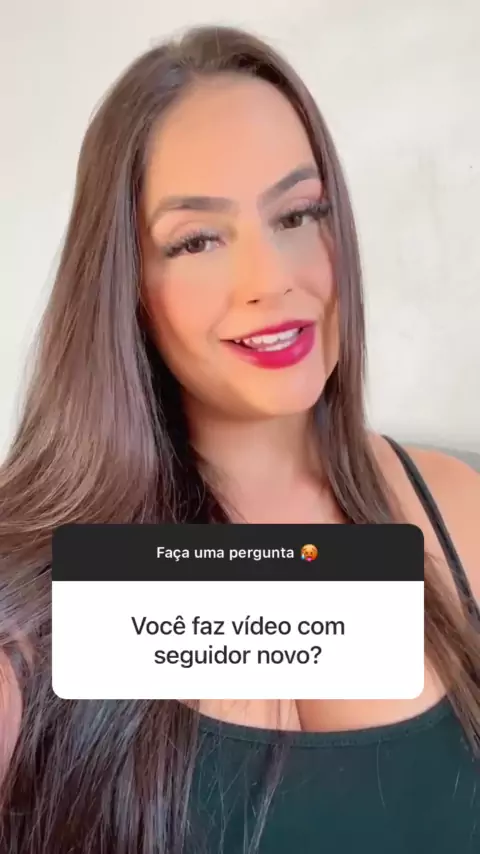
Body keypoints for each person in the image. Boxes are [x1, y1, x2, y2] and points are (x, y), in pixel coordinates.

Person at [0, 24, 479, 854]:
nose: (272, 279)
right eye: (197, 240)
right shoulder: (34, 599)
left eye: (298, 214)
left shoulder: (460, 512)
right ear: (126, 285)